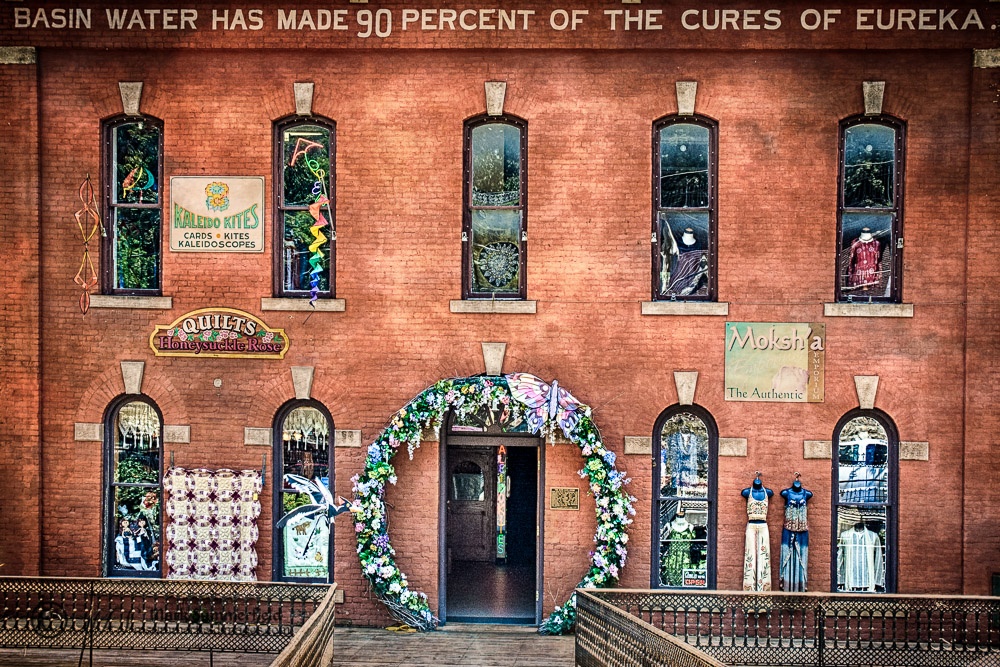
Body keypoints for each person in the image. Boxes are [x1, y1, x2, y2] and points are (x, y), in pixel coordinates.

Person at [779, 475, 812, 592]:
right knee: (786, 557)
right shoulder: (786, 493)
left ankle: (800, 586)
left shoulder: (807, 494)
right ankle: (787, 585)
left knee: (802, 558)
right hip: (788, 531)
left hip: (802, 533)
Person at [741, 474, 773, 591]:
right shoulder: (746, 492)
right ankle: (749, 591)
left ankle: (763, 592)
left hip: (763, 526)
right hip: (751, 525)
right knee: (750, 556)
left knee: (764, 557)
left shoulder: (768, 492)